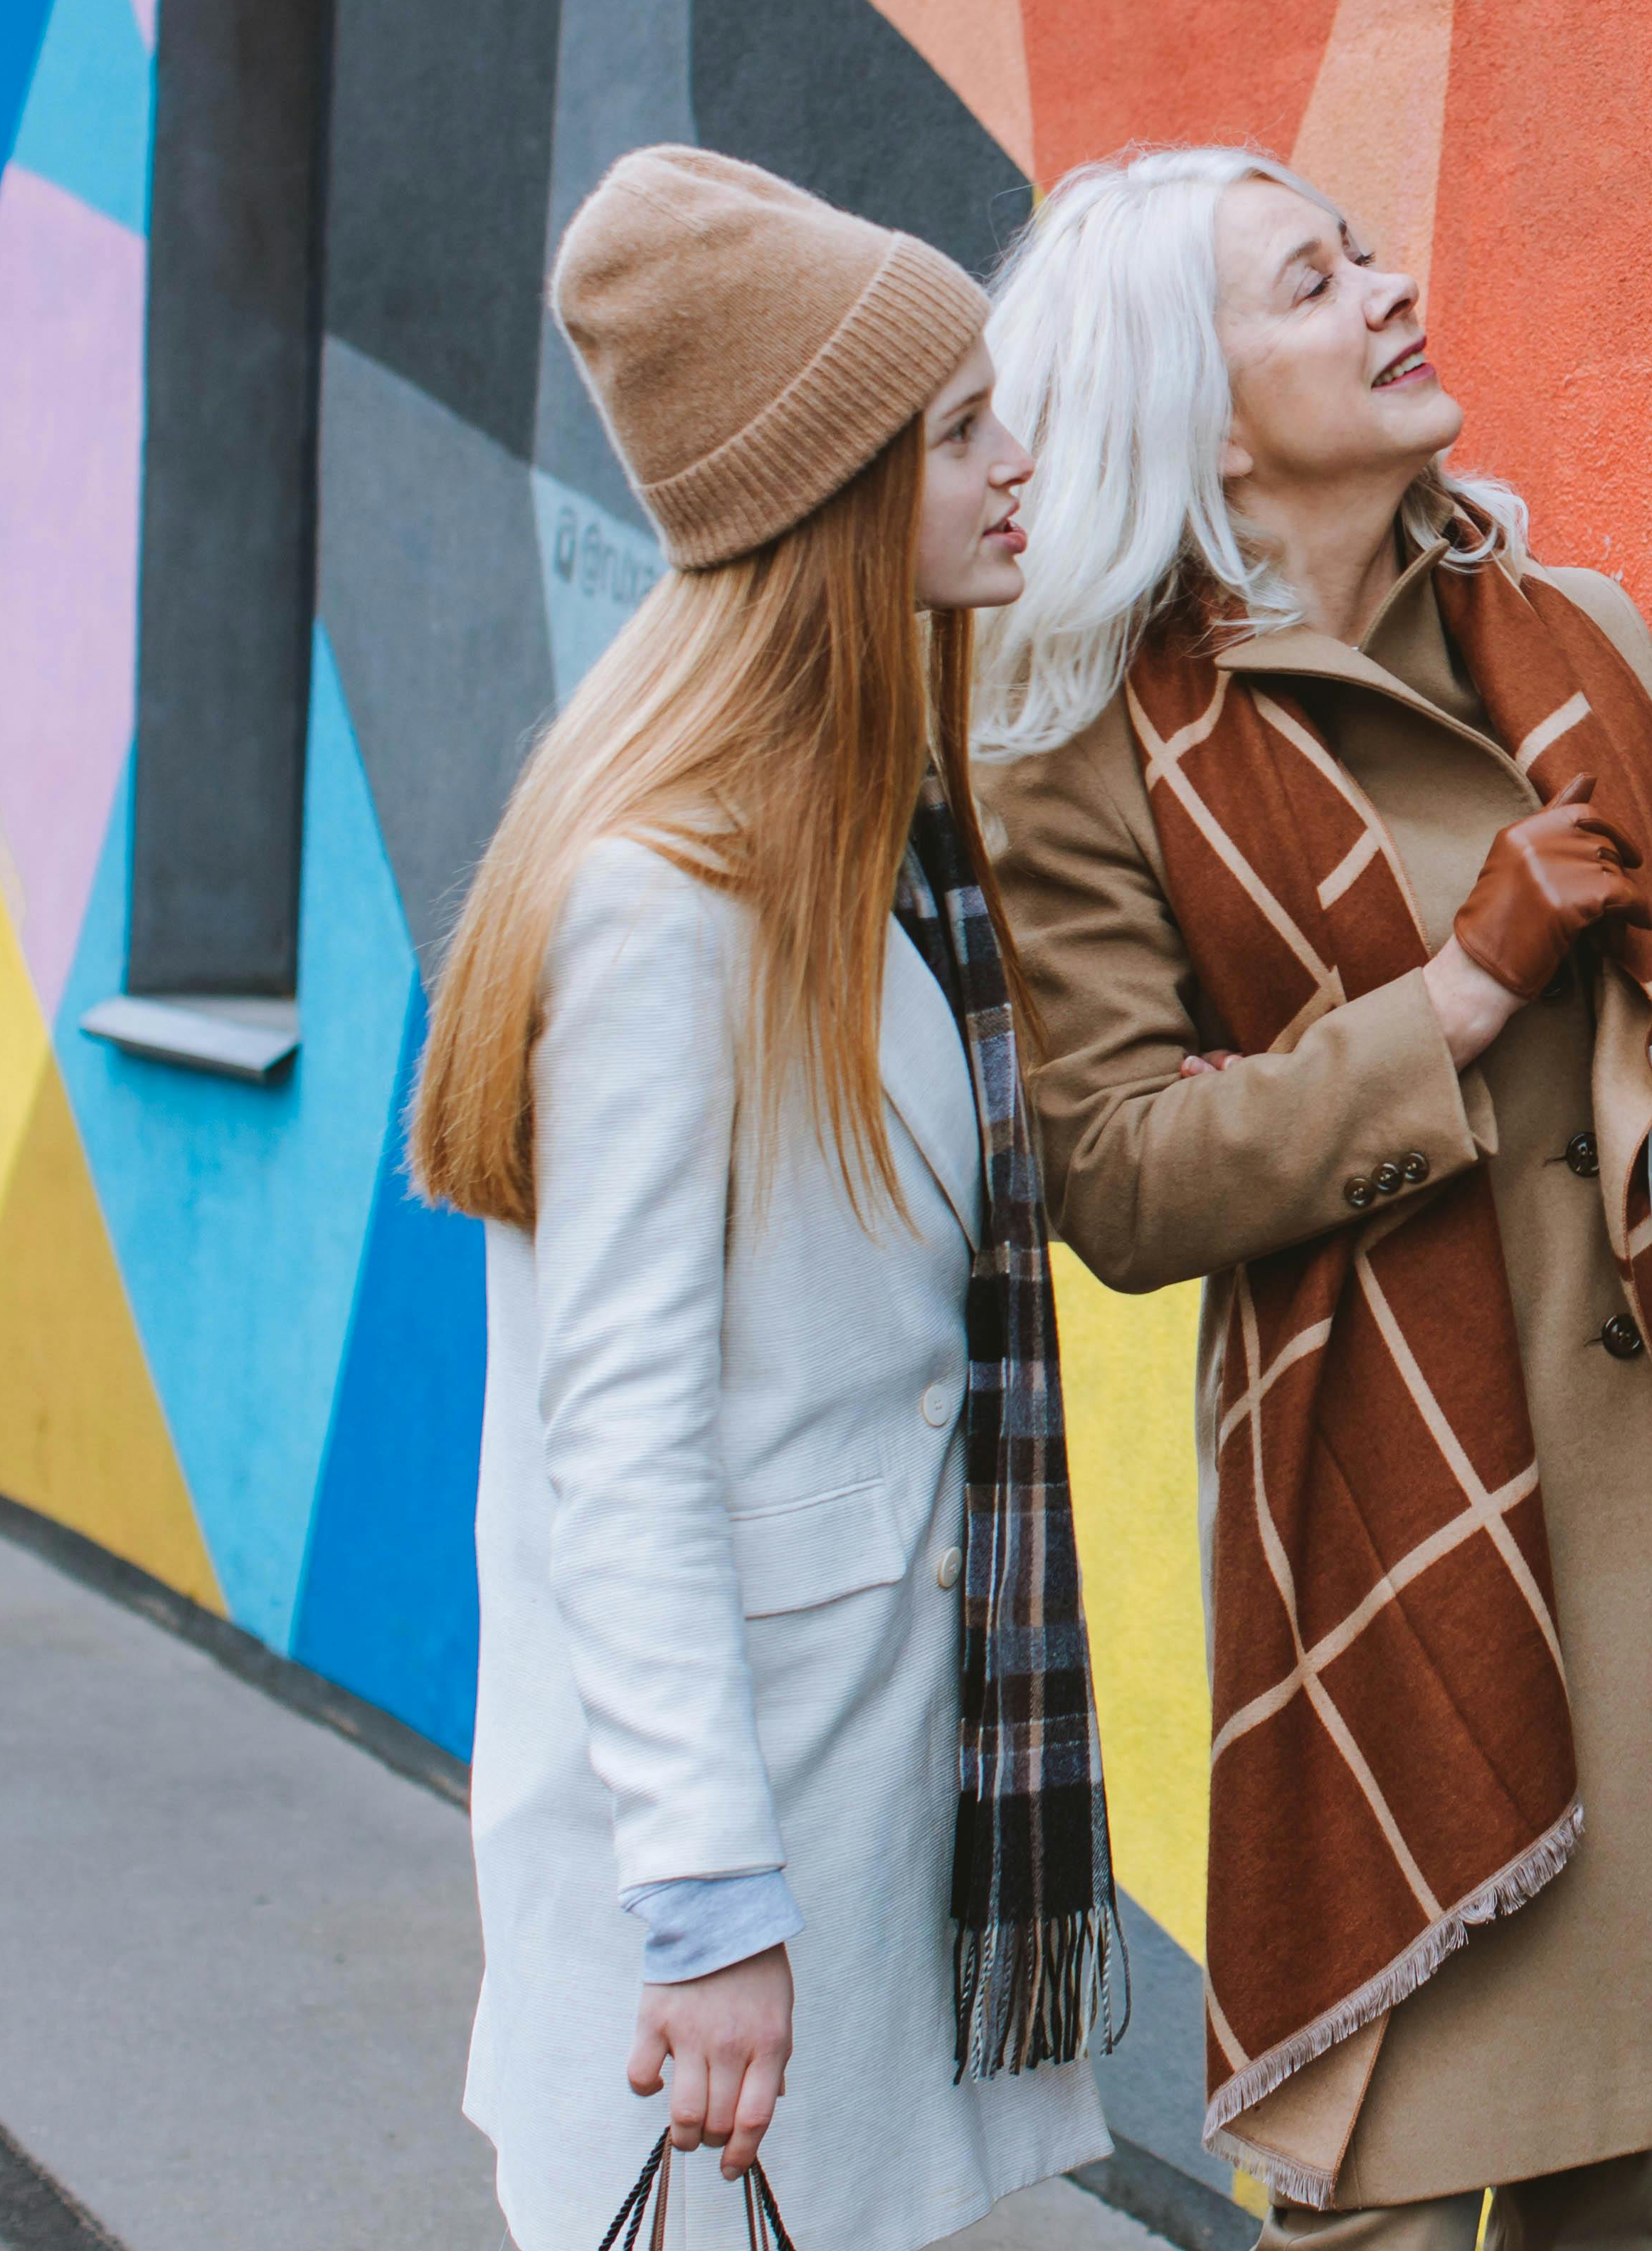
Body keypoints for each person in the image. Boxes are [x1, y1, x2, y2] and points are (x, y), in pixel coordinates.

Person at [970, 143, 1652, 2247]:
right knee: (1379, 2196)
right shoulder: (1092, 748)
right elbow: (1113, 1180)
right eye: (1313, 285)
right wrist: (1458, 987)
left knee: (1598, 2188)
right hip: (1392, 1525)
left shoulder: (1572, 636)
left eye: (1366, 256)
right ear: (1188, 407)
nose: (1390, 295)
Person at [422, 147, 1118, 2251]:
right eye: (960, 433)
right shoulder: (665, 896)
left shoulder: (870, 841)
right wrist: (708, 1905)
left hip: (863, 1769)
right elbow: (608, 1442)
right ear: (829, 498)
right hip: (731, 1831)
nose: (1017, 464)